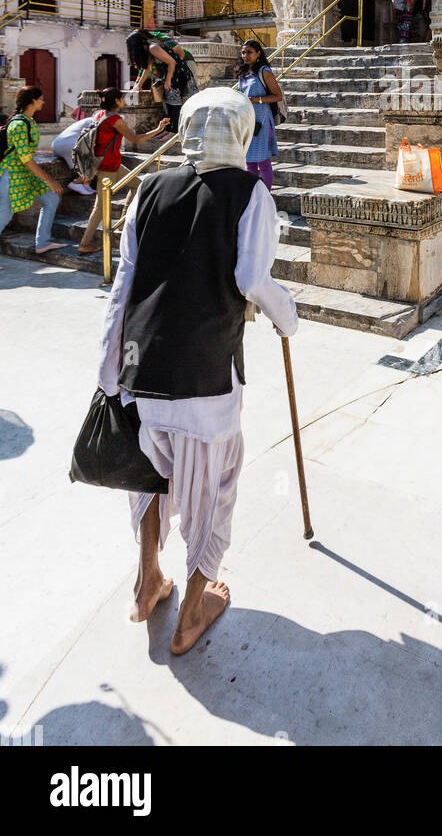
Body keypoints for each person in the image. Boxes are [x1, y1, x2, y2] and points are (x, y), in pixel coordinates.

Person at [96, 87, 298, 654]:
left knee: (147, 478)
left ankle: (145, 584)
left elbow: (124, 284)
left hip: (142, 369)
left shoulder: (149, 189)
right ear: (239, 133)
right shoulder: (249, 193)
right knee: (213, 487)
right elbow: (253, 280)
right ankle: (190, 609)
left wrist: (108, 369)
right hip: (206, 379)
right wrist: (289, 318)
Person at [76, 88, 171, 256]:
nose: (124, 101)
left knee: (137, 185)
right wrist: (158, 129)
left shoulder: (100, 115)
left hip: (107, 163)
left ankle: (122, 222)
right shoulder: (115, 119)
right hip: (108, 166)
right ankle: (85, 243)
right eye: (122, 98)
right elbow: (135, 139)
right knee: (100, 207)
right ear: (117, 101)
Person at [0, 86, 66, 254]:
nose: (44, 101)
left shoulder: (30, 121)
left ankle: (42, 243)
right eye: (41, 98)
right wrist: (49, 179)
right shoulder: (19, 125)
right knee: (4, 216)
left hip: (25, 175)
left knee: (51, 199)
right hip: (11, 176)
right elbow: (26, 158)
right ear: (33, 101)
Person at [127, 28, 198, 133]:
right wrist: (138, 86)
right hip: (172, 72)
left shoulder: (154, 46)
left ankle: (175, 132)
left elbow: (173, 61)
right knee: (169, 102)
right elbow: (146, 69)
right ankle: (170, 130)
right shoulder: (149, 50)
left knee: (176, 102)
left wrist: (168, 79)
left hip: (178, 71)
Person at [235, 39, 282, 190]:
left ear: (258, 53)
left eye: (249, 52)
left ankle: (265, 195)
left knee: (263, 162)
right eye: (243, 52)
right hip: (248, 121)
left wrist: (256, 99)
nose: (245, 56)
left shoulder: (264, 72)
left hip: (261, 122)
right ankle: (253, 195)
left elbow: (277, 96)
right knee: (249, 162)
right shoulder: (244, 72)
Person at [51, 113, 100, 197]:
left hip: (58, 145)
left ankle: (85, 184)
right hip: (69, 146)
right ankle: (76, 183)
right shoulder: (96, 122)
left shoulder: (88, 120)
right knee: (97, 160)